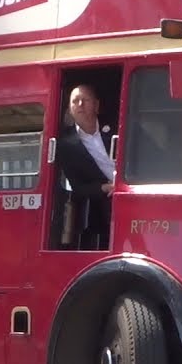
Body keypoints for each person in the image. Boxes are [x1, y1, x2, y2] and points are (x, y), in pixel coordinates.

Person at [55, 84, 115, 249]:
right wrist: (105, 187)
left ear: (96, 105)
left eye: (85, 100)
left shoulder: (116, 125)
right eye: (75, 101)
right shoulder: (66, 145)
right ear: (70, 108)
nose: (80, 105)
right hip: (105, 200)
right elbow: (78, 187)